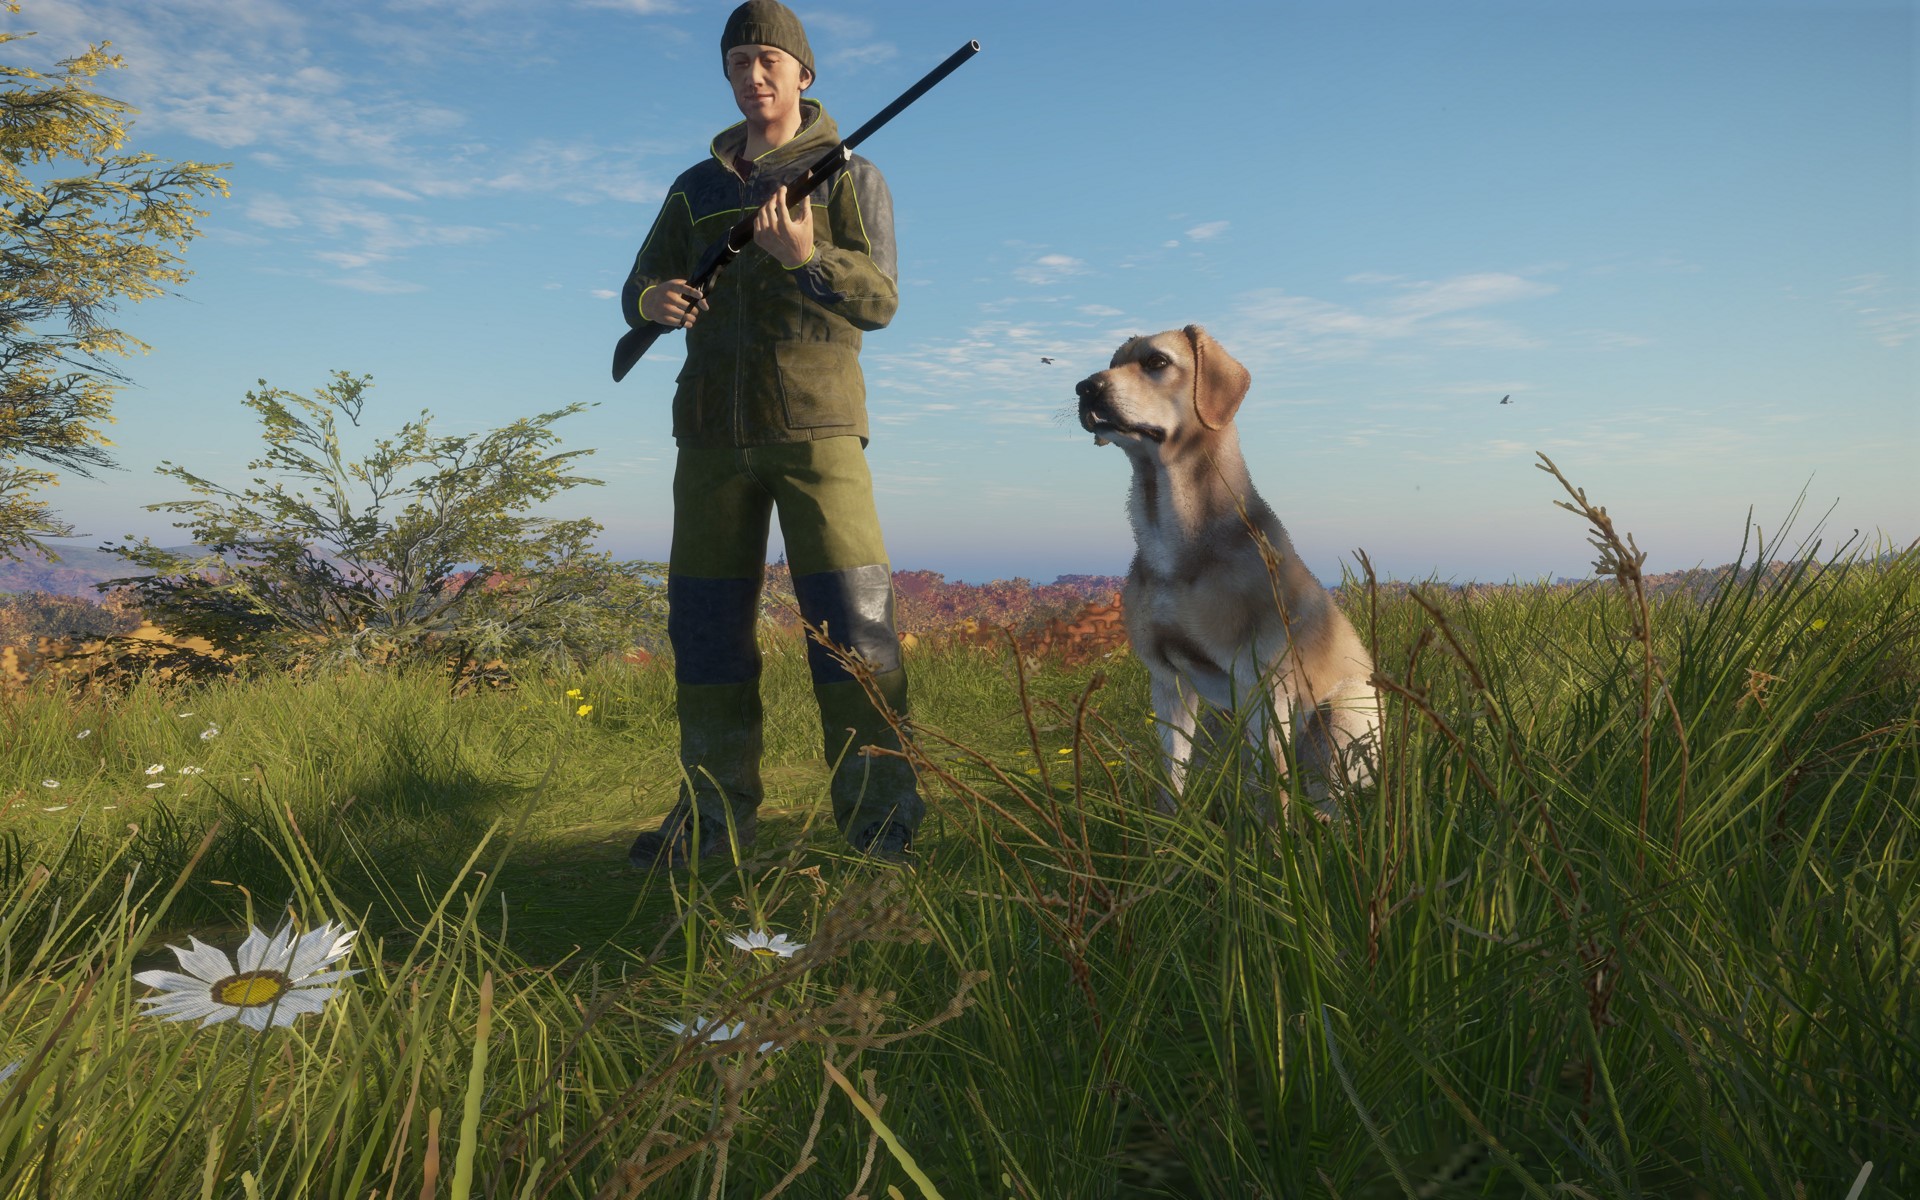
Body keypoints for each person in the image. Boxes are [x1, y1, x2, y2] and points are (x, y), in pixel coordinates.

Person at [621, 0, 922, 869]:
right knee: (707, 629)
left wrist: (805, 259)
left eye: (767, 60)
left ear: (803, 73)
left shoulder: (850, 174)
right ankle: (711, 818)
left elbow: (881, 300)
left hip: (819, 428)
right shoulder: (696, 187)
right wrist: (655, 302)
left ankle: (881, 820)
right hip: (710, 433)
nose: (753, 76)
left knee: (855, 625)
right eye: (738, 63)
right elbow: (641, 280)